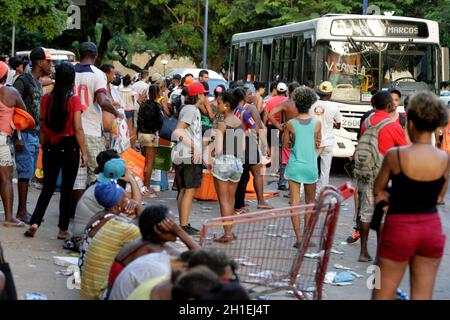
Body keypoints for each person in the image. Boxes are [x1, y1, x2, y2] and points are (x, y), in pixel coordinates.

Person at [372, 91, 448, 300]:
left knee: (381, 292)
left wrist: (387, 199)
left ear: (411, 123)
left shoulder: (395, 156)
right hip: (432, 229)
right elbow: (439, 197)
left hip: (399, 227)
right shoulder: (444, 159)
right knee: (423, 295)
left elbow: (378, 190)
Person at [23, 62, 87, 239]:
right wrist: (84, 153)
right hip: (70, 146)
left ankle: (35, 222)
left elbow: (42, 124)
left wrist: (45, 145)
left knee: (48, 187)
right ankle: (62, 229)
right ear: (72, 79)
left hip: (51, 144)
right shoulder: (74, 100)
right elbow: (78, 128)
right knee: (67, 189)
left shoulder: (46, 99)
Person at [356, 91, 408, 262]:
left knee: (365, 212)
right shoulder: (393, 126)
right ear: (388, 106)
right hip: (383, 174)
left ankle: (363, 251)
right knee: (382, 213)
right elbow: (404, 149)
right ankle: (380, 252)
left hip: (365, 170)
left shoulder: (367, 121)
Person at [107, 205, 200, 300]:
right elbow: (201, 258)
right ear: (157, 228)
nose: (174, 228)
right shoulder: (146, 250)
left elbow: (201, 257)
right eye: (171, 224)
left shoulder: (150, 243)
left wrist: (179, 232)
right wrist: (180, 232)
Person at [80, 181, 141, 300]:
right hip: (99, 292)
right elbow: (148, 234)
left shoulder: (100, 216)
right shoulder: (116, 225)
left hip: (88, 284)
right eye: (124, 197)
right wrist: (138, 206)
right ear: (115, 206)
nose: (128, 199)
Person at [73, 42, 121, 189]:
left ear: (79, 54)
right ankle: (92, 209)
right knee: (95, 173)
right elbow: (102, 100)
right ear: (96, 56)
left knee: (76, 177)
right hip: (91, 129)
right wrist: (115, 111)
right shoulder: (98, 74)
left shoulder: (70, 71)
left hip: (71, 129)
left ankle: (75, 210)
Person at [13, 47, 52, 225]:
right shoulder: (23, 81)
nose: (50, 64)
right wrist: (18, 136)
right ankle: (21, 212)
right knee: (24, 174)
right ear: (39, 62)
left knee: (28, 174)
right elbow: (10, 106)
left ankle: (23, 211)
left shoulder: (37, 82)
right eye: (48, 61)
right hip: (24, 135)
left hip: (34, 135)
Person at [69, 157, 142, 250]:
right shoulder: (108, 192)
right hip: (84, 241)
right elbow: (135, 205)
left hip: (82, 237)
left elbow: (132, 203)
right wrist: (132, 180)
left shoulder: (102, 187)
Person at [284, 87, 321, 248]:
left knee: (294, 202)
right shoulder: (317, 123)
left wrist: (292, 139)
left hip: (295, 166)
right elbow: (318, 143)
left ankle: (298, 238)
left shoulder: (290, 124)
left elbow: (286, 144)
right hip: (310, 166)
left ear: (297, 105)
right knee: (310, 203)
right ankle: (307, 236)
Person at [173, 82, 208, 235]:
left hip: (184, 154)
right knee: (189, 190)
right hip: (188, 155)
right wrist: (196, 149)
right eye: (204, 94)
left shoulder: (189, 109)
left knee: (184, 190)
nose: (205, 97)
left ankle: (182, 223)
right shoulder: (192, 110)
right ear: (198, 95)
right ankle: (184, 224)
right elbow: (178, 131)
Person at [210, 90, 244, 242]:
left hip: (223, 162)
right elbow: (242, 147)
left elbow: (217, 149)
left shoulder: (222, 124)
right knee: (230, 200)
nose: (216, 106)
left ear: (227, 105)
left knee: (223, 200)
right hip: (237, 163)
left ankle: (227, 233)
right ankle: (230, 230)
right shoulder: (238, 122)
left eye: (219, 103)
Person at [233, 88, 272, 213]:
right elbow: (258, 128)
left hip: (235, 143)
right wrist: (266, 145)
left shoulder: (233, 109)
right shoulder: (249, 109)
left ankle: (240, 203)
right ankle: (260, 201)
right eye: (249, 94)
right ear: (243, 97)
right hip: (249, 142)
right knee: (257, 172)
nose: (252, 96)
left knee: (243, 175)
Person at [0, 61, 28, 227]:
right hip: (3, 139)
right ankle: (9, 217)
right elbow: (24, 112)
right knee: (6, 179)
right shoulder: (10, 92)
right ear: (5, 75)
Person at [268, 82, 301, 191]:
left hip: (287, 132)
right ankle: (296, 183)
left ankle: (282, 181)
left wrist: (278, 125)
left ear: (289, 91)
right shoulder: (303, 104)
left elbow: (270, 114)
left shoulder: (285, 103)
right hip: (300, 132)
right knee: (297, 158)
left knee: (285, 159)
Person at [310, 81, 342, 193]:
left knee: (309, 166)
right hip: (328, 142)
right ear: (330, 93)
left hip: (314, 141)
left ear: (319, 92)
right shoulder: (334, 106)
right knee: (325, 170)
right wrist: (331, 122)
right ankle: (321, 193)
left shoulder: (312, 104)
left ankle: (302, 191)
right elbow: (338, 125)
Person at [137, 84, 164, 197]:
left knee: (144, 162)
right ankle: (146, 187)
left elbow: (138, 120)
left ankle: (143, 185)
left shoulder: (143, 105)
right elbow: (160, 122)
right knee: (149, 163)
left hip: (142, 135)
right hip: (152, 135)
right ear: (157, 93)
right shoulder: (157, 106)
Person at [264, 82, 288, 190]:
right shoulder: (287, 101)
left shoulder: (270, 100)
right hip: (284, 127)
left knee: (274, 148)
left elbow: (266, 113)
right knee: (281, 149)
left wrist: (264, 125)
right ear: (285, 91)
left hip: (272, 125)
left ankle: (274, 168)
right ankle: (279, 169)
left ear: (277, 90)